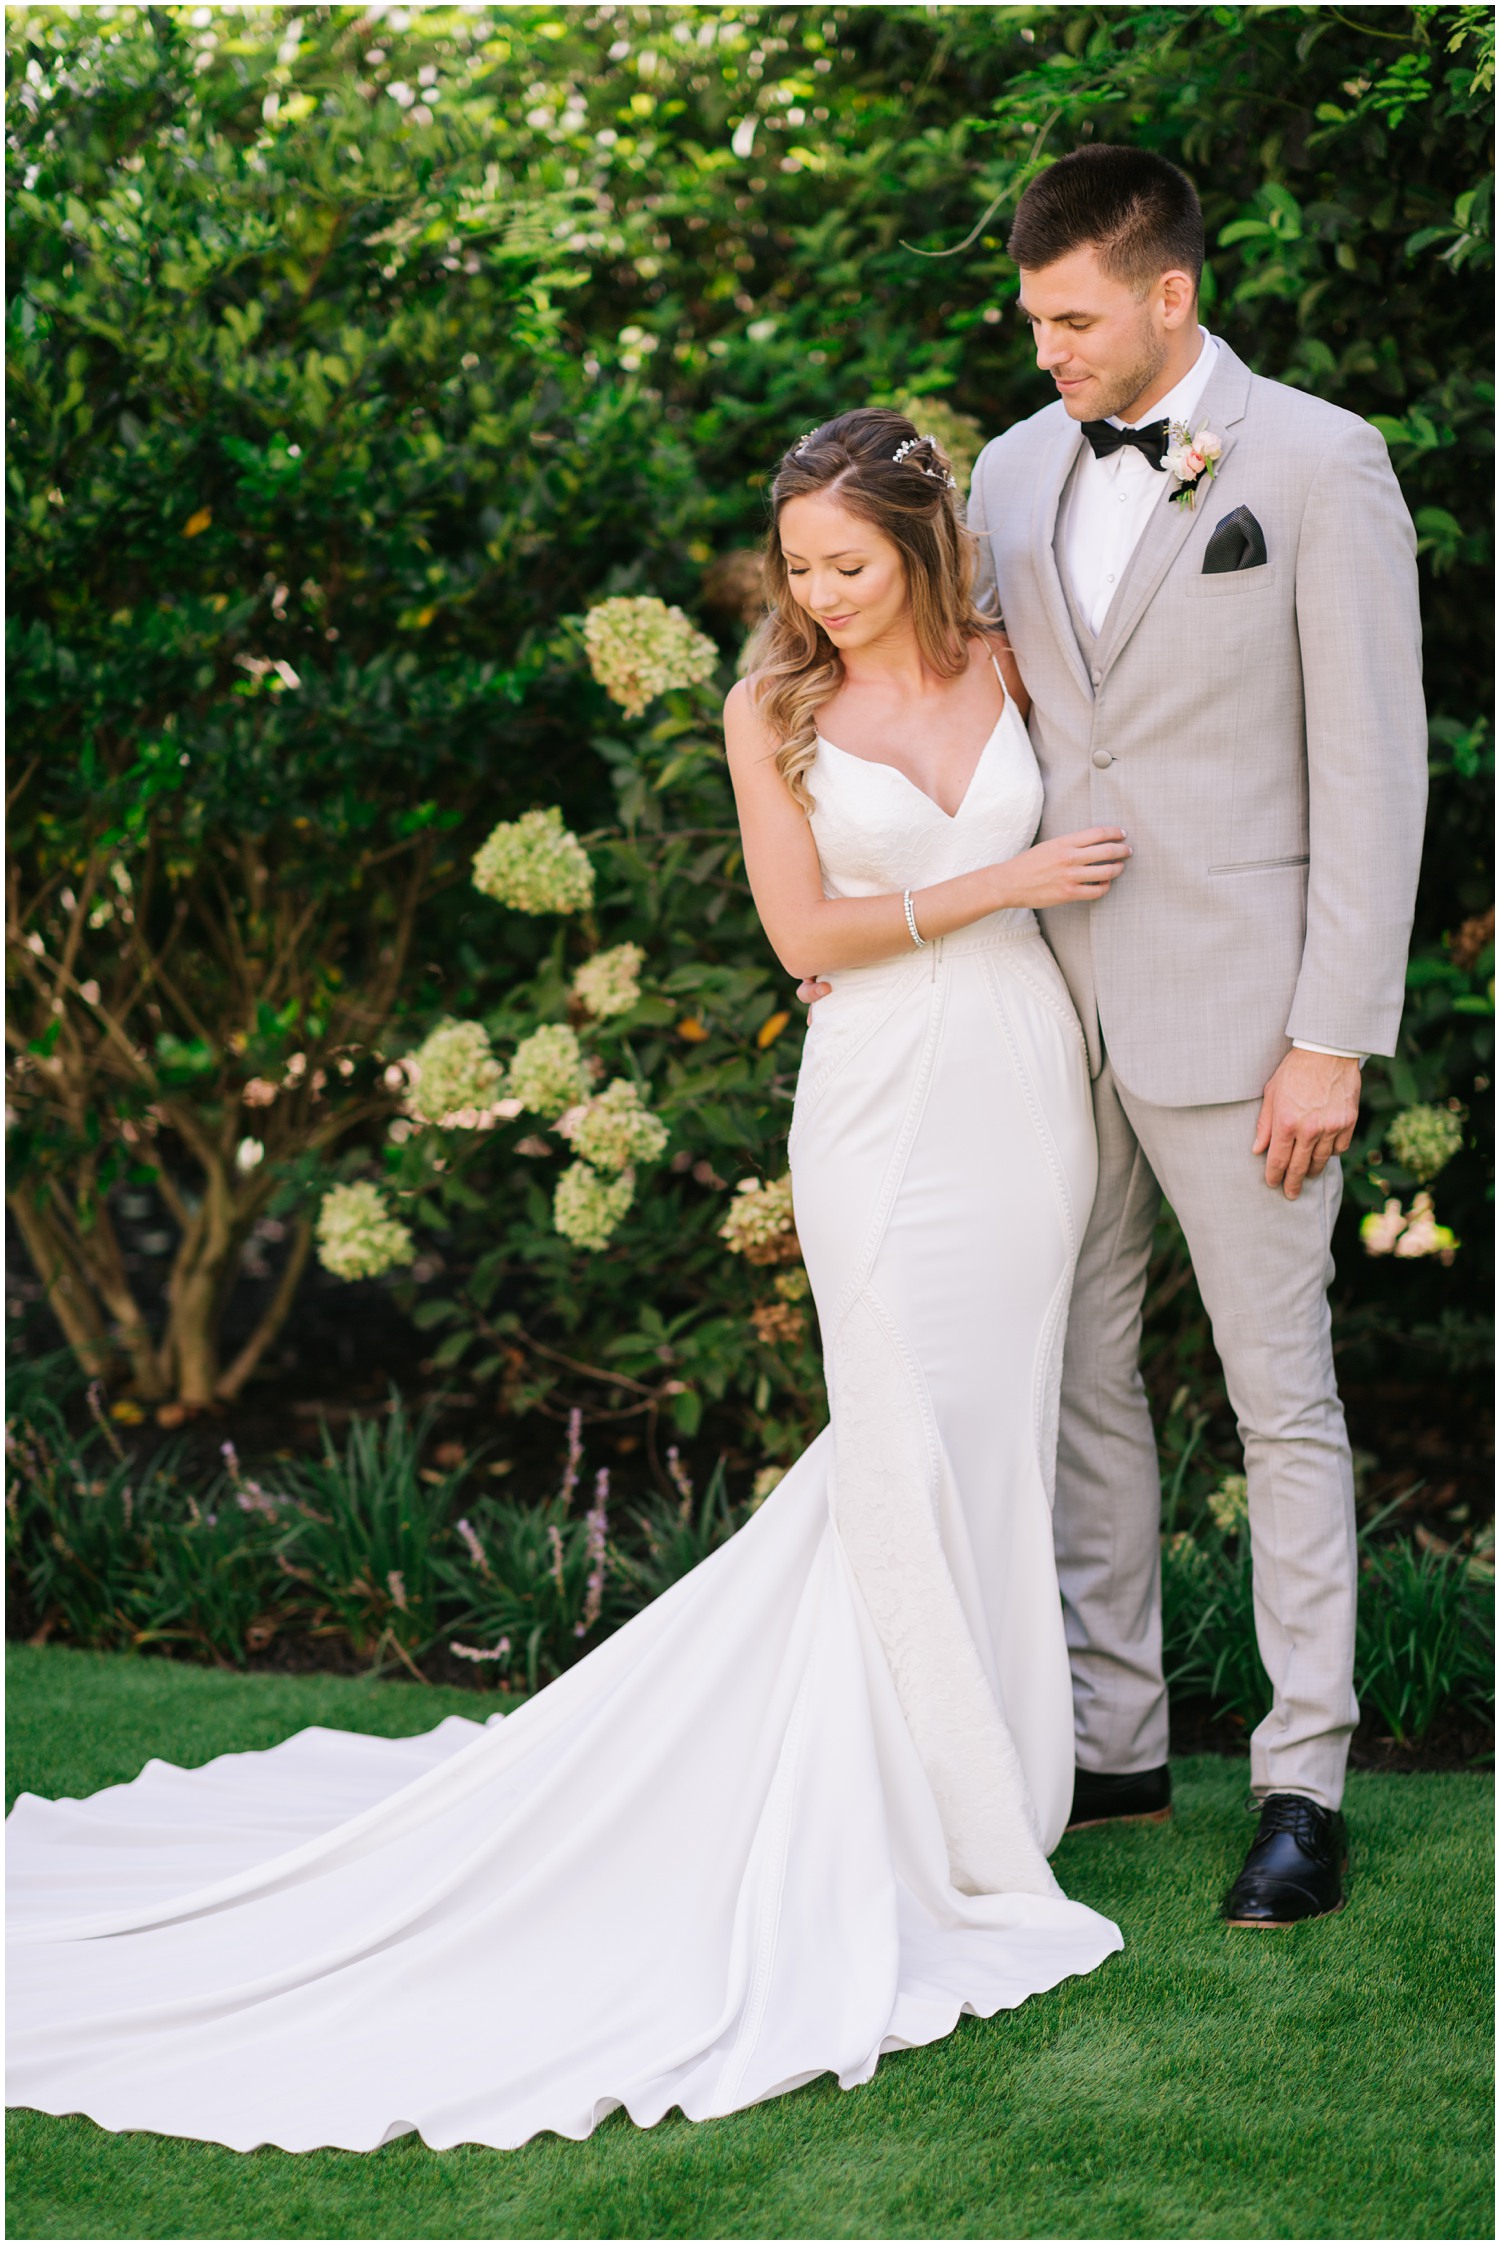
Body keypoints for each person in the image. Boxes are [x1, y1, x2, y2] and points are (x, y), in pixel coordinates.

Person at [6, 407, 1125, 2156]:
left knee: (992, 1426)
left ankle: (996, 1774)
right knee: (899, 1433)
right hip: (884, 1101)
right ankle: (936, 1806)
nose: (819, 596)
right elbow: (803, 938)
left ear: (923, 542)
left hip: (1026, 1087)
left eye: (848, 564)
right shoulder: (774, 710)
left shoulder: (1018, 658)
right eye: (797, 568)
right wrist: (1006, 882)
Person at [963, 145, 1427, 1923]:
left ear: (1170, 295)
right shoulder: (1012, 469)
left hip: (1246, 1017)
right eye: (1032, 320)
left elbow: (1376, 771)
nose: (1048, 351)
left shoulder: (1319, 462)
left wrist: (1336, 1034)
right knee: (1080, 1379)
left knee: (1277, 1394)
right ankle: (1118, 1739)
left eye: (1073, 318)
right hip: (1038, 1003)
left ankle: (1305, 1778)